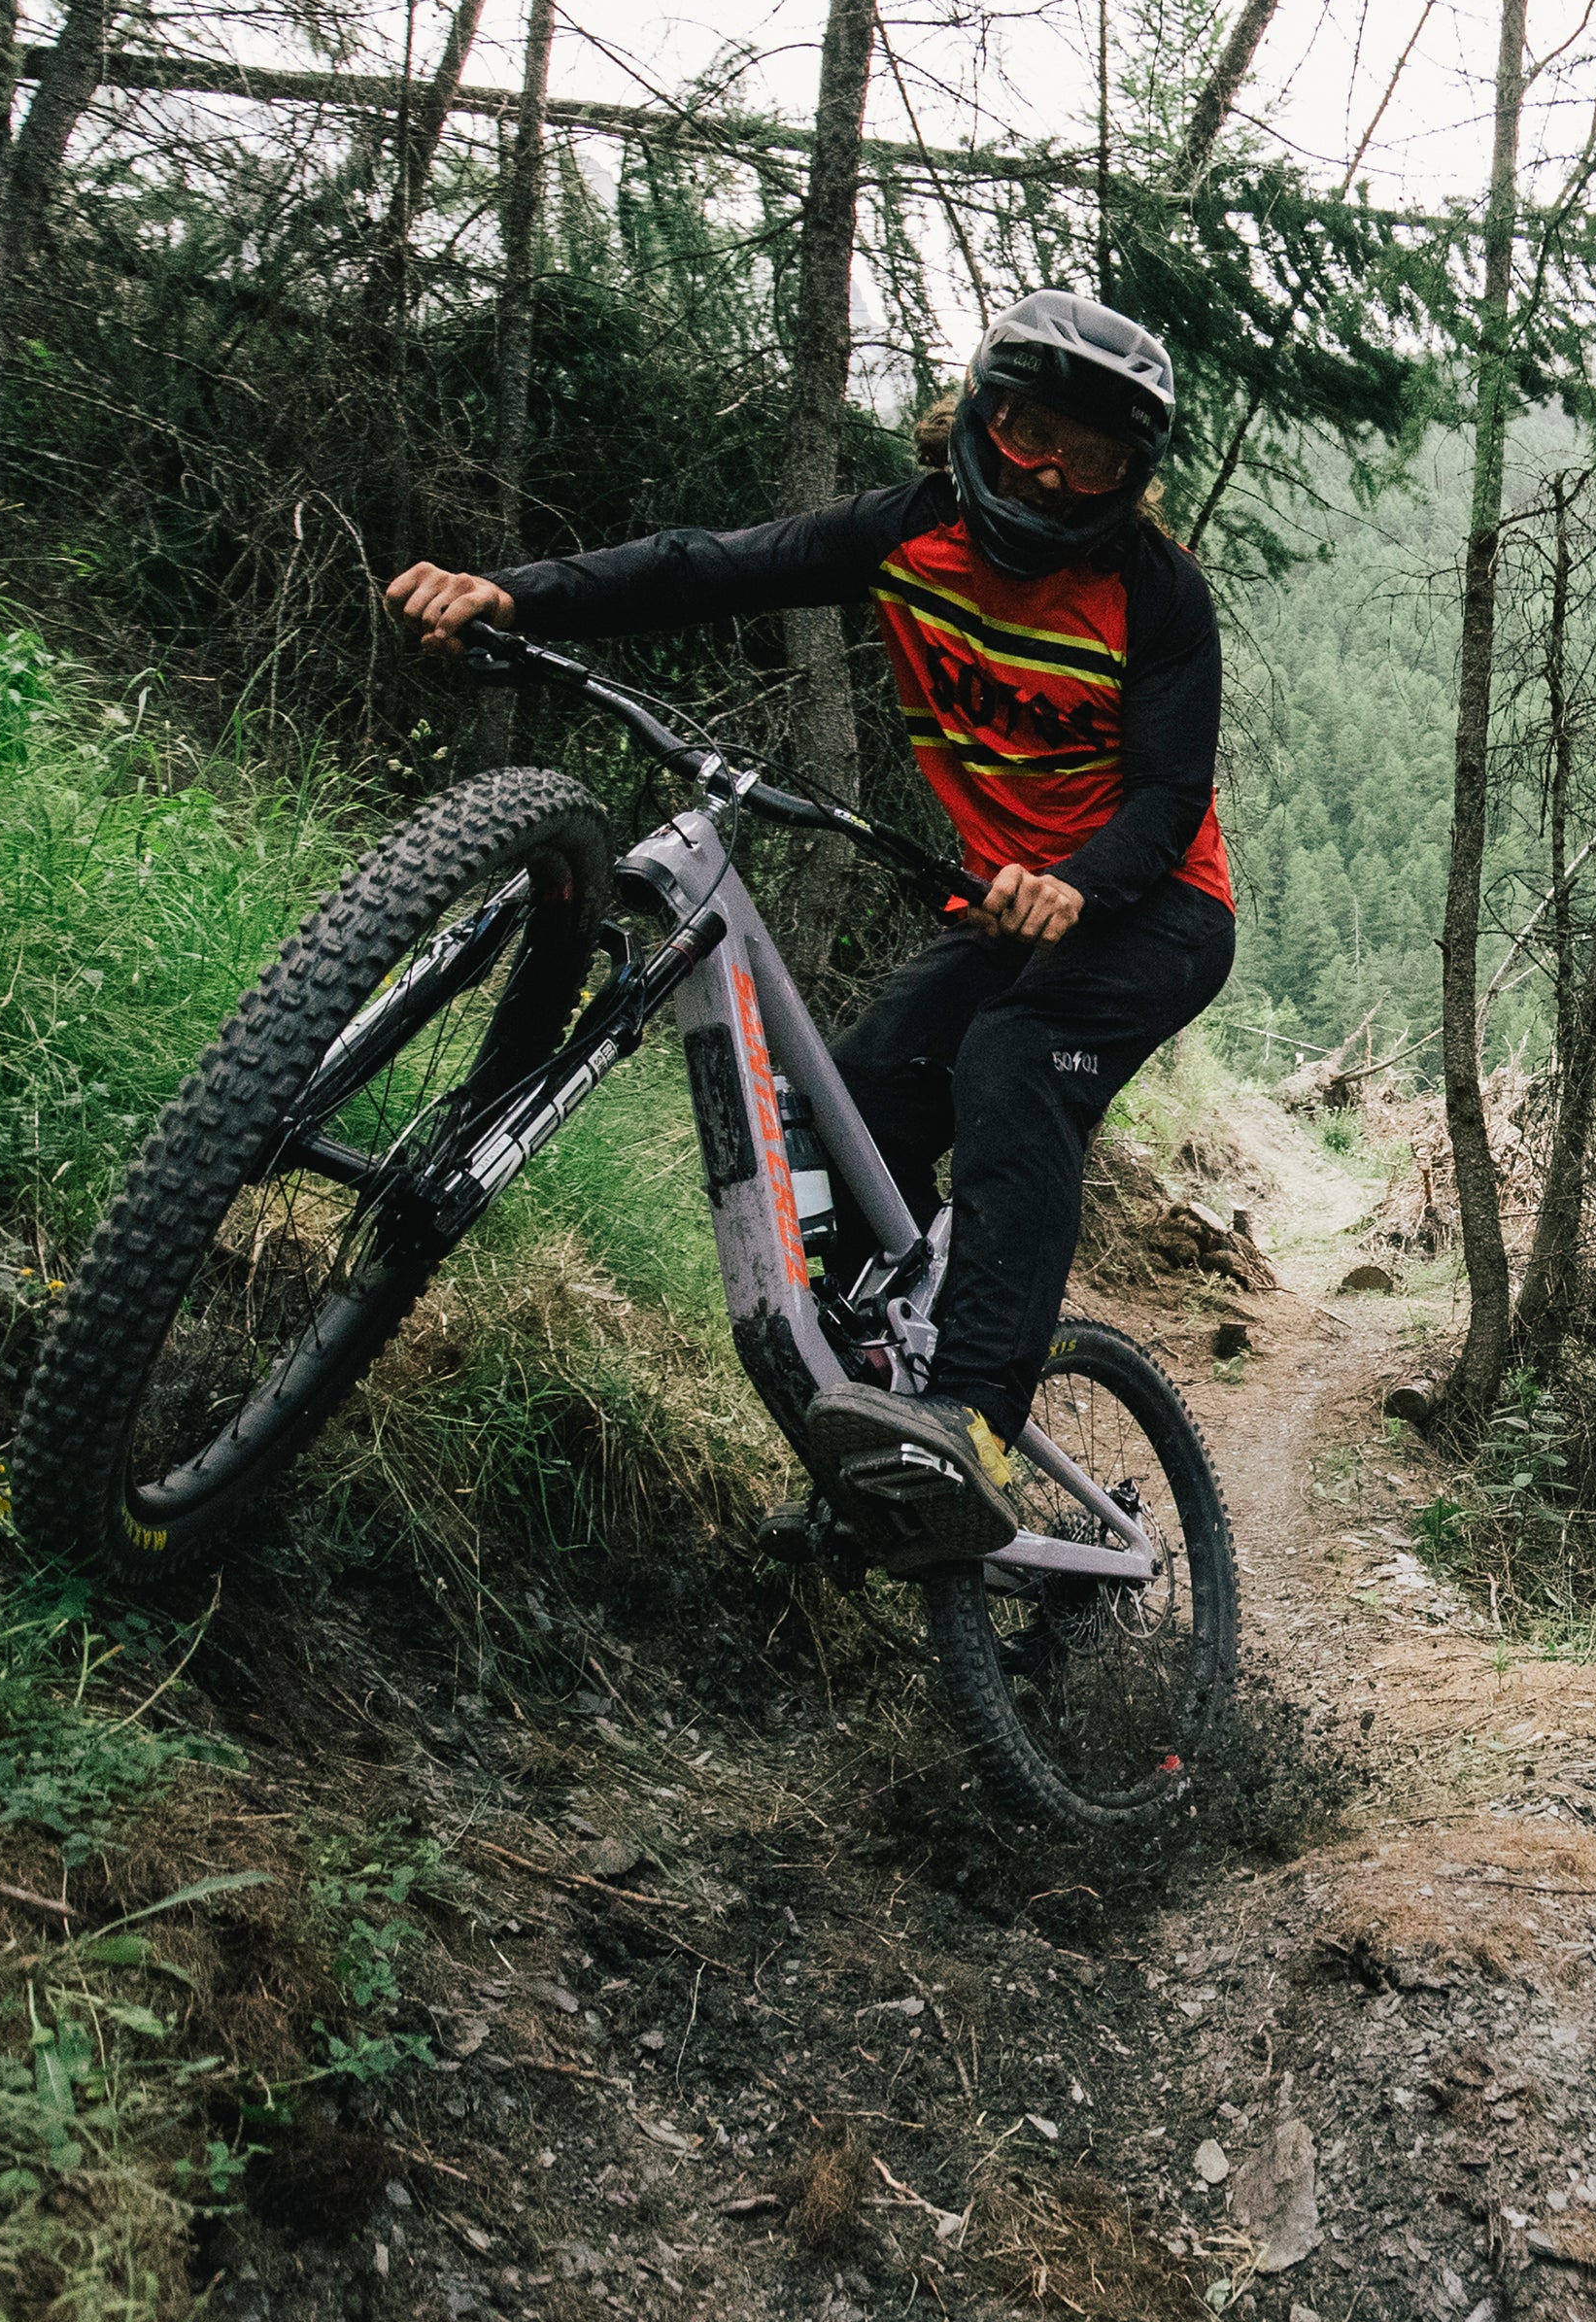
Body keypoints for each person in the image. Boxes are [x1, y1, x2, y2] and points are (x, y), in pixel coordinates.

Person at [383, 290, 1235, 1570]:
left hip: (1151, 912)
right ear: (980, 419)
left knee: (1011, 1064)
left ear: (1132, 477)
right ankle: (872, 1440)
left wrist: (1077, 881)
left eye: (1094, 455)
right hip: (1006, 909)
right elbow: (701, 565)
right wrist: (513, 597)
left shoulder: (1156, 598)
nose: (1053, 473)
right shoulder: (908, 534)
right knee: (847, 1109)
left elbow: (1170, 796)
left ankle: (976, 1421)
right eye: (1030, 433)